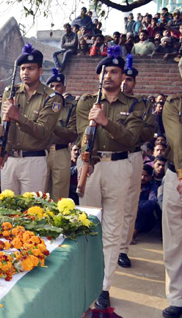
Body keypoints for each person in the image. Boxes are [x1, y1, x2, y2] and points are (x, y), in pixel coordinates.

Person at [76, 46, 145, 309]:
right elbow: (81, 133)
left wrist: (105, 122)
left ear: (122, 76)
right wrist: (85, 156)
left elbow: (131, 138)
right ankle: (84, 277)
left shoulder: (135, 105)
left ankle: (104, 286)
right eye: (104, 71)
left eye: (114, 72)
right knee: (87, 225)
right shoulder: (86, 102)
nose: (108, 76)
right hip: (90, 167)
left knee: (113, 228)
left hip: (119, 166)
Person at [0, 43, 63, 195]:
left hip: (34, 160)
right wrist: (1, 153)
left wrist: (18, 117)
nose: (25, 72)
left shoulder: (52, 98)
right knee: (6, 211)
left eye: (31, 68)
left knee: (31, 213)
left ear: (40, 71)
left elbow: (43, 131)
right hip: (10, 159)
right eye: (22, 69)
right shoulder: (10, 92)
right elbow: (5, 129)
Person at [118, 55, 156, 269]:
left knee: (129, 203)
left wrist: (129, 130)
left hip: (132, 155)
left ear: (134, 82)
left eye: (130, 80)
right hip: (109, 156)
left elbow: (149, 131)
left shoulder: (142, 104)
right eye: (124, 78)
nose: (125, 82)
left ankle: (123, 249)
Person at [160, 77, 182, 318]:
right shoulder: (174, 103)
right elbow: (176, 140)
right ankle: (177, 298)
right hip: (176, 174)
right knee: (174, 242)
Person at [45, 68, 77, 201]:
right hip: (42, 151)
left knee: (60, 195)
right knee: (41, 194)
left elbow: (72, 134)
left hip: (61, 151)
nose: (55, 88)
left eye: (58, 85)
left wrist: (53, 125)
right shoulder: (42, 105)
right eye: (51, 86)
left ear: (64, 87)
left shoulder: (71, 106)